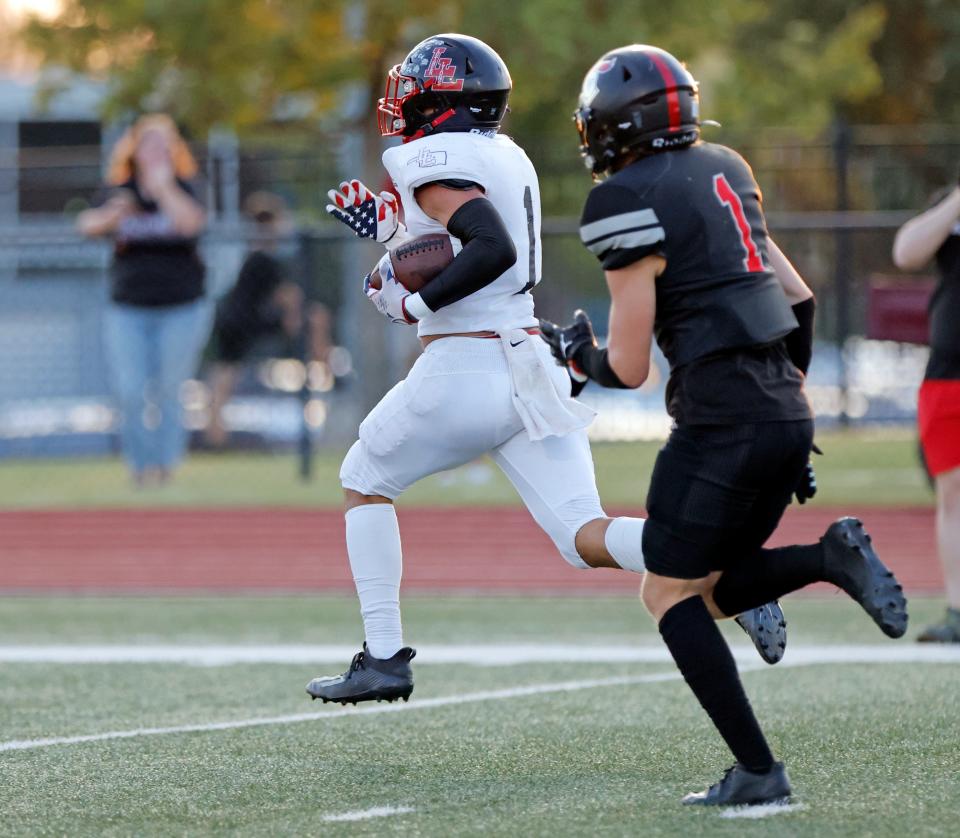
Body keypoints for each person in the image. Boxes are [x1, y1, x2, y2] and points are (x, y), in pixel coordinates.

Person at [305, 34, 785, 707]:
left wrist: (413, 298)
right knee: (581, 533)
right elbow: (457, 231)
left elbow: (488, 246)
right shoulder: (504, 154)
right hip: (530, 362)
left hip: (468, 362)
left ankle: (383, 657)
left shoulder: (428, 158)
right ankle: (728, 560)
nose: (403, 96)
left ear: (439, 96)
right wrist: (392, 231)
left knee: (363, 477)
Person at [542, 44, 908, 806]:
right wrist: (790, 412)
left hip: (718, 420)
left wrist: (580, 359)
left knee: (667, 595)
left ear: (616, 124)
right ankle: (828, 559)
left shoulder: (621, 201)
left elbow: (632, 365)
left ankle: (759, 769)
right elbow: (800, 300)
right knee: (705, 587)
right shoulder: (726, 169)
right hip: (781, 405)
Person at [77, 114, 208, 486]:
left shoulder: (187, 186)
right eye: (147, 144)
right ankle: (140, 466)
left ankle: (165, 467)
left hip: (181, 305)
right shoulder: (119, 188)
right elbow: (85, 225)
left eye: (162, 144)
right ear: (134, 149)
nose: (155, 151)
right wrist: (111, 215)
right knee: (130, 389)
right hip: (128, 306)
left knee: (170, 388)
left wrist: (164, 190)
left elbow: (191, 224)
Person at [204, 192, 327, 448]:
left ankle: (215, 434)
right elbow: (288, 297)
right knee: (224, 378)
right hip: (239, 322)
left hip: (247, 320)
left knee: (223, 378)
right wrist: (296, 324)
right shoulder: (262, 257)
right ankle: (215, 436)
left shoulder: (261, 255)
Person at [893, 176, 960, 642]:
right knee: (953, 494)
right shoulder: (949, 209)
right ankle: (958, 611)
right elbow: (906, 253)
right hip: (949, 375)